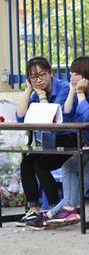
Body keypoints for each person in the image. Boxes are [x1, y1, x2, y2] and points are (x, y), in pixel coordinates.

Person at [26, 56, 89, 230]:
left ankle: (52, 213)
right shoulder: (82, 92)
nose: (71, 78)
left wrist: (79, 94)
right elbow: (67, 116)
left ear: (87, 76)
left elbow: (87, 116)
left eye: (76, 74)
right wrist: (73, 93)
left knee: (84, 177)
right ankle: (66, 210)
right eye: (71, 74)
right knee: (68, 168)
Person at [14, 57, 75, 226]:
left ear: (51, 73)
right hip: (49, 142)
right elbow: (20, 118)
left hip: (69, 139)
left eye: (41, 74)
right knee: (27, 163)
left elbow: (50, 118)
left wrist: (41, 97)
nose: (38, 80)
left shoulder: (63, 88)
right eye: (33, 77)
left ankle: (55, 210)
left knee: (41, 165)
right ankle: (33, 210)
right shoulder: (35, 92)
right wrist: (28, 91)